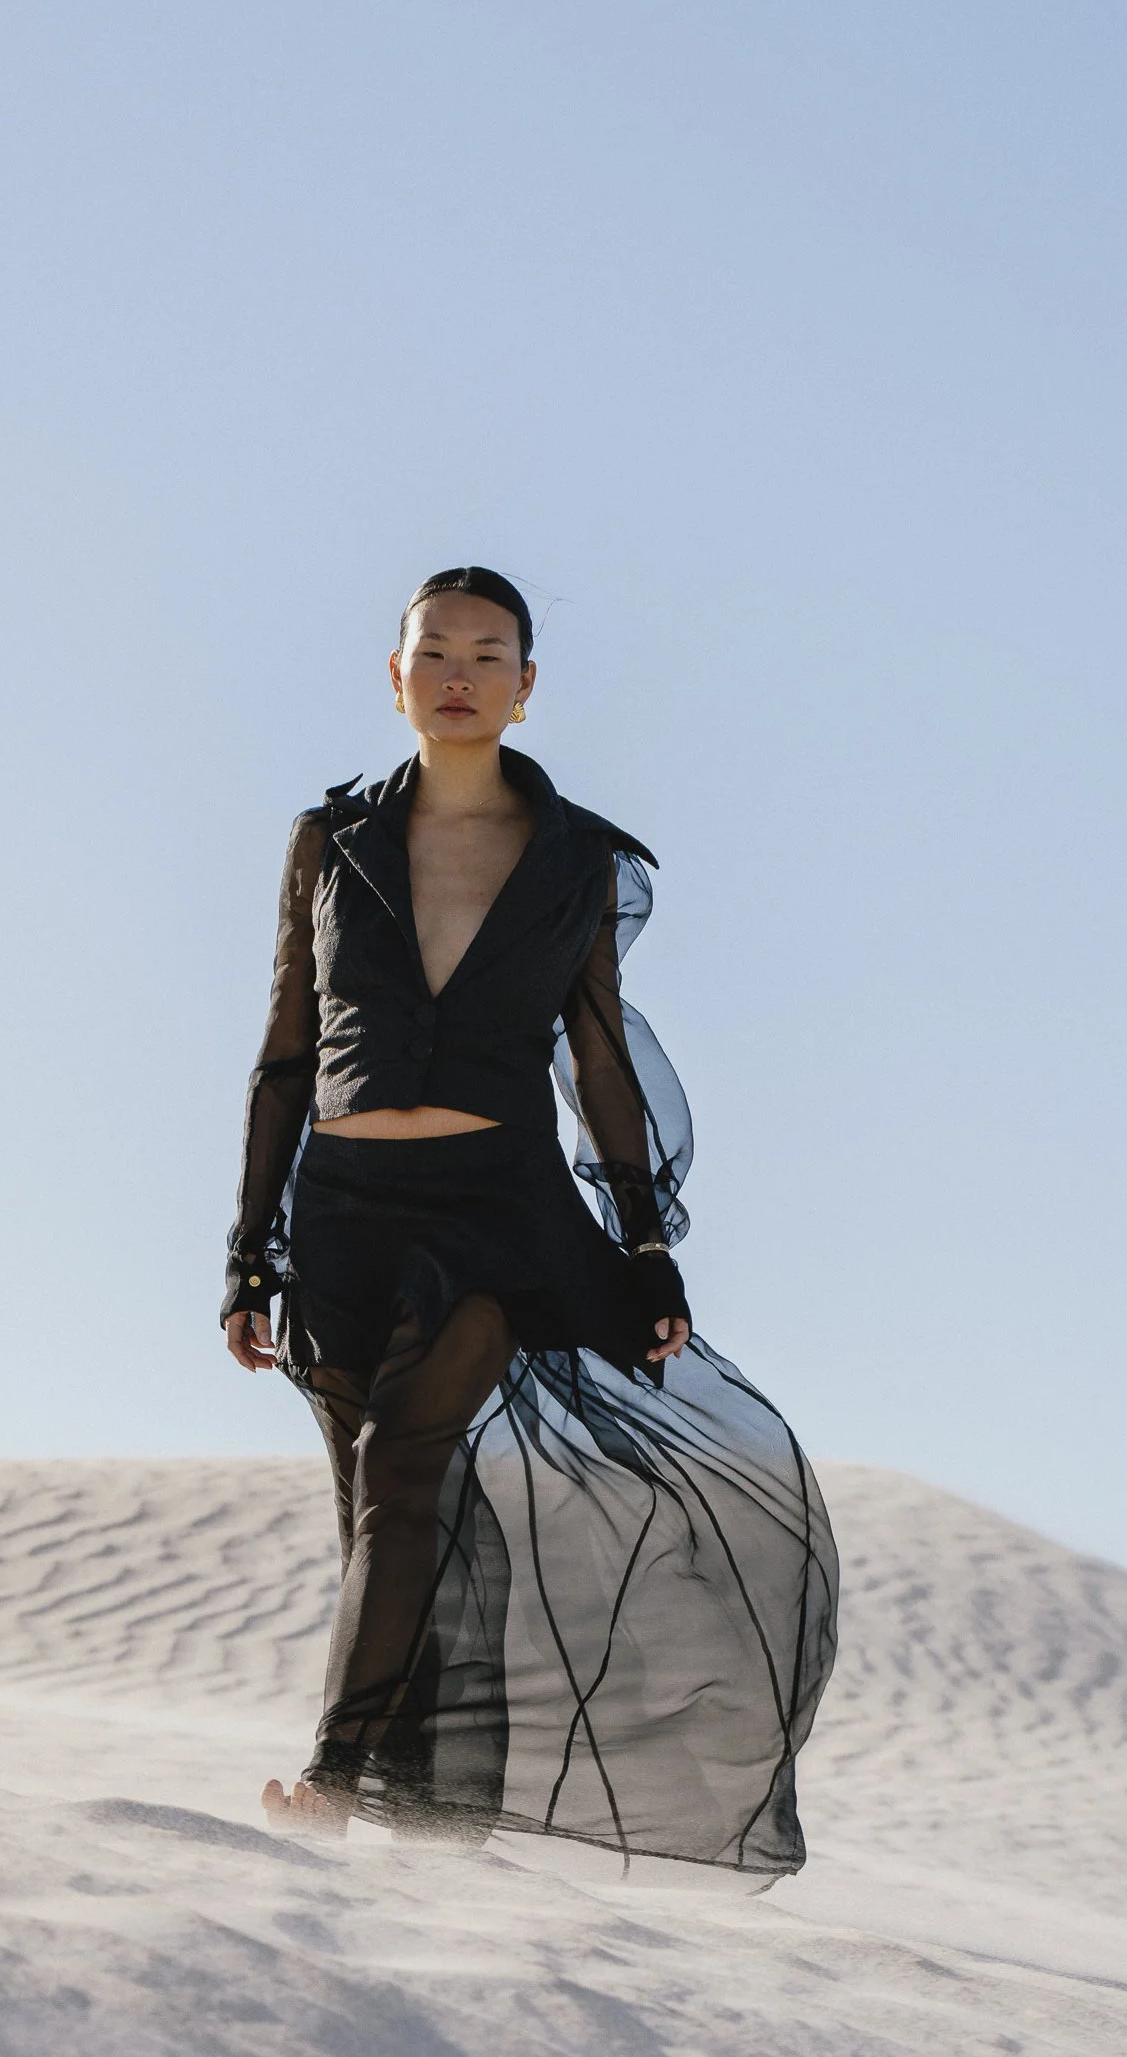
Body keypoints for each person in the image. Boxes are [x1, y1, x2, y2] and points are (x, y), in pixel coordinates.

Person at [224, 567, 838, 1872]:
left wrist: (646, 1241)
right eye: (434, 649)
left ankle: (333, 1781)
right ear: (396, 675)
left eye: (487, 653)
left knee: (403, 1469)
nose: (458, 672)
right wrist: (249, 1250)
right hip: (341, 1216)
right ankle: (435, 1819)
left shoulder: (577, 857)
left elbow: (598, 1057)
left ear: (525, 686)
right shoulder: (328, 840)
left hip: (496, 1213)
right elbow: (285, 1052)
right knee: (382, 1513)